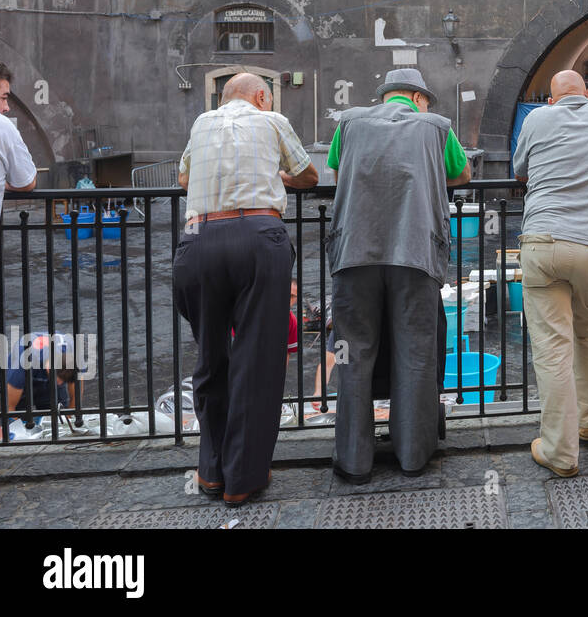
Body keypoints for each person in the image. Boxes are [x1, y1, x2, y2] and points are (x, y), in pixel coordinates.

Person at [174, 73, 317, 504]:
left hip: (198, 241)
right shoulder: (271, 120)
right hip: (258, 238)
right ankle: (243, 478)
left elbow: (183, 180)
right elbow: (308, 174)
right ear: (261, 96)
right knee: (257, 360)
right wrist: (279, 178)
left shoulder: (201, 123)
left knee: (210, 358)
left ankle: (211, 471)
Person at [325, 68, 470, 483]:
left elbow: (338, 173)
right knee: (416, 352)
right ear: (417, 98)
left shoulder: (349, 122)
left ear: (386, 96)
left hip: (354, 253)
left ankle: (353, 461)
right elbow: (462, 175)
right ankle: (413, 456)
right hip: (415, 253)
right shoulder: (438, 127)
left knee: (352, 354)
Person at [514, 70, 588, 477]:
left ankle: (561, 451)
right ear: (587, 93)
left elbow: (520, 169)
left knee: (552, 347)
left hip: (544, 244)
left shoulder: (537, 119)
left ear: (552, 100)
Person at [0, 59, 38, 245]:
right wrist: (3, 185)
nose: (7, 107)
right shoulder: (0, 125)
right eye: (3, 98)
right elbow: (27, 182)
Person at [4, 332, 80, 424]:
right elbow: (9, 408)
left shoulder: (74, 354)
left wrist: (70, 417)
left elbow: (76, 392)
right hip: (26, 375)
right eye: (59, 379)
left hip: (44, 366)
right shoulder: (22, 363)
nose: (60, 383)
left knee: (59, 418)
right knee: (19, 418)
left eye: (64, 381)